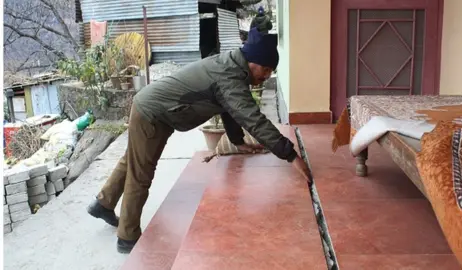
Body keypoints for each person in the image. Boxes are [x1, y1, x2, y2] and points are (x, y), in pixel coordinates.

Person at [87, 27, 310, 254]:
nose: (267, 76)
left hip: (161, 112)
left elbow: (229, 108)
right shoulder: (230, 75)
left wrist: (237, 140)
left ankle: (103, 203)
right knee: (140, 173)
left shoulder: (233, 68)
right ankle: (127, 237)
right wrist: (290, 155)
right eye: (266, 69)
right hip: (152, 113)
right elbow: (253, 118)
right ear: (253, 61)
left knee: (133, 160)